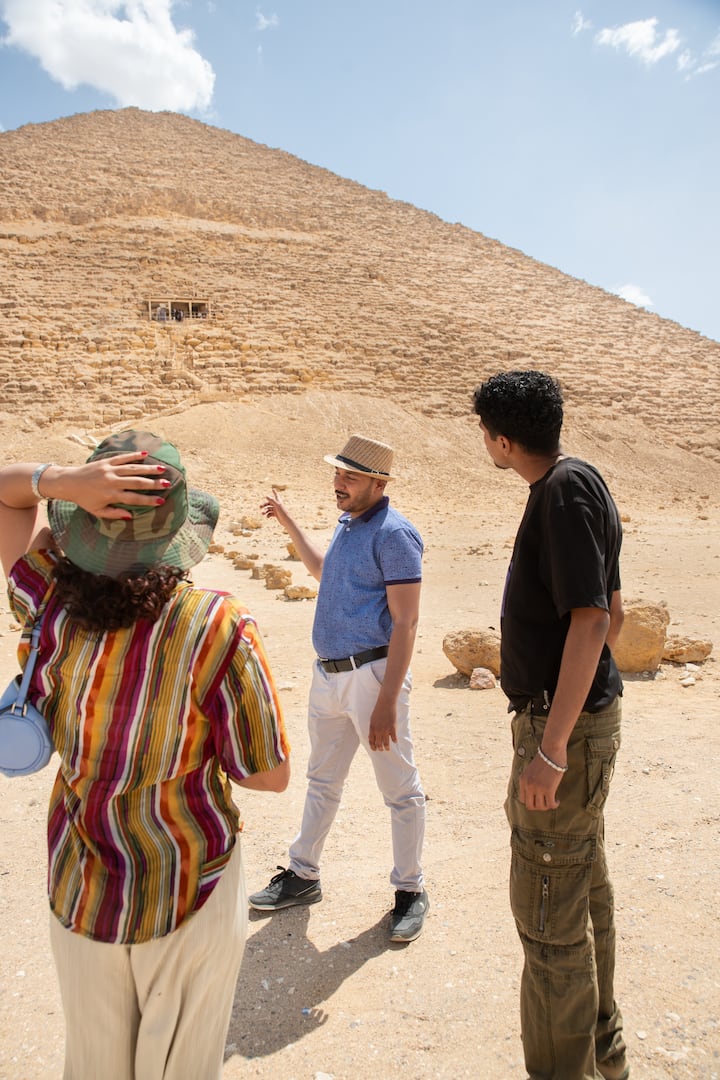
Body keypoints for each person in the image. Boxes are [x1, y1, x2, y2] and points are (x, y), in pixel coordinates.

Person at [0, 431, 290, 1080]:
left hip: (83, 882)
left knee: (94, 1064)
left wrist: (63, 482)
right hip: (189, 878)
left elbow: (7, 495)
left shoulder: (46, 603)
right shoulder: (215, 626)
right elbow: (269, 775)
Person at [473, 371, 628, 1080]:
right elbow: (612, 613)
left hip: (560, 732)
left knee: (549, 916)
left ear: (503, 441)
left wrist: (555, 745)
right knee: (581, 889)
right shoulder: (580, 480)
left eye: (486, 435)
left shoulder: (561, 493)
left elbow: (593, 621)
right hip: (578, 720)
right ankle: (603, 1054)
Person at [249, 434, 429, 943]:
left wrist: (387, 700)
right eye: (337, 473)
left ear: (378, 483)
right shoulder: (348, 524)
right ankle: (303, 874)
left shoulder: (395, 534)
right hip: (328, 675)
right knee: (321, 779)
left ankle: (410, 890)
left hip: (372, 678)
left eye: (350, 477)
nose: (338, 483)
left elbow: (407, 622)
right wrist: (288, 522)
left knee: (400, 788)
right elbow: (325, 574)